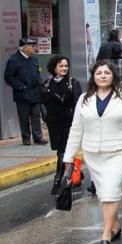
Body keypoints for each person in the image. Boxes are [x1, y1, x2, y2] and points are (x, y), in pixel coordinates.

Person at [63, 61, 122, 244]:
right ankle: (115, 225)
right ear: (93, 76)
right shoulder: (84, 99)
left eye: (106, 72)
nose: (102, 76)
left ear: (113, 75)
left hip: (120, 151)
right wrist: (69, 156)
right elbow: (76, 129)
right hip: (94, 153)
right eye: (98, 72)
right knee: (105, 194)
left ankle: (105, 235)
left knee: (110, 189)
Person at [42, 55, 83, 193]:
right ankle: (76, 174)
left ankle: (59, 179)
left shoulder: (73, 83)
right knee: (61, 150)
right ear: (54, 68)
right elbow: (43, 102)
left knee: (63, 151)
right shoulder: (47, 84)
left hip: (69, 122)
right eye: (61, 66)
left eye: (66, 66)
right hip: (54, 123)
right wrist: (46, 117)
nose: (64, 68)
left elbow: (79, 103)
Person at [4, 37, 47, 146]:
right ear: (24, 48)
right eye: (31, 46)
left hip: (35, 92)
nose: (34, 48)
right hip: (22, 94)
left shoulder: (33, 59)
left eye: (34, 45)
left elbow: (38, 74)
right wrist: (20, 87)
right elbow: (8, 77)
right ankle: (26, 138)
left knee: (36, 116)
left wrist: (41, 87)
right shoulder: (14, 60)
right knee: (24, 118)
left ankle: (38, 137)